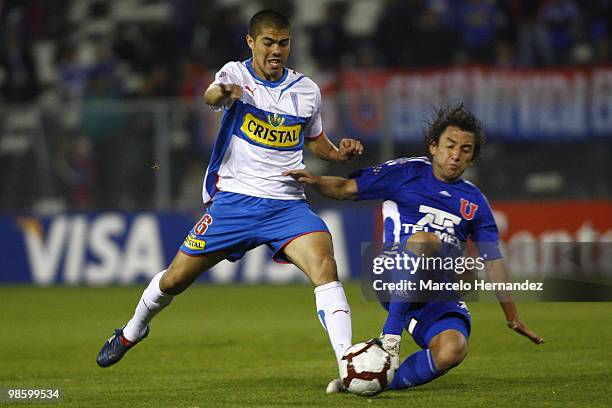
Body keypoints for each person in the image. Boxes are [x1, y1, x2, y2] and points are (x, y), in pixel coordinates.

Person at [96, 10, 363, 379]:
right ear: (251, 42)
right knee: (174, 279)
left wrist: (338, 154)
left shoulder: (307, 90)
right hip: (234, 202)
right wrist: (222, 92)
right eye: (268, 42)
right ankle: (132, 330)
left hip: (287, 204)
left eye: (283, 43)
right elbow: (211, 96)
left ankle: (350, 366)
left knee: (325, 266)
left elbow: (315, 140)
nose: (276, 50)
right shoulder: (235, 74)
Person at [284, 104, 544, 392]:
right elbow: (346, 189)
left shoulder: (475, 201)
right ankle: (391, 337)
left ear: (472, 158)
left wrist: (512, 316)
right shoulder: (406, 172)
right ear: (433, 146)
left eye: (466, 149)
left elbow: (493, 260)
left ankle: (367, 379)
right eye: (450, 145)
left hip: (436, 288)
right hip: (390, 271)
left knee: (453, 349)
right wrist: (316, 180)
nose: (456, 154)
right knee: (425, 240)